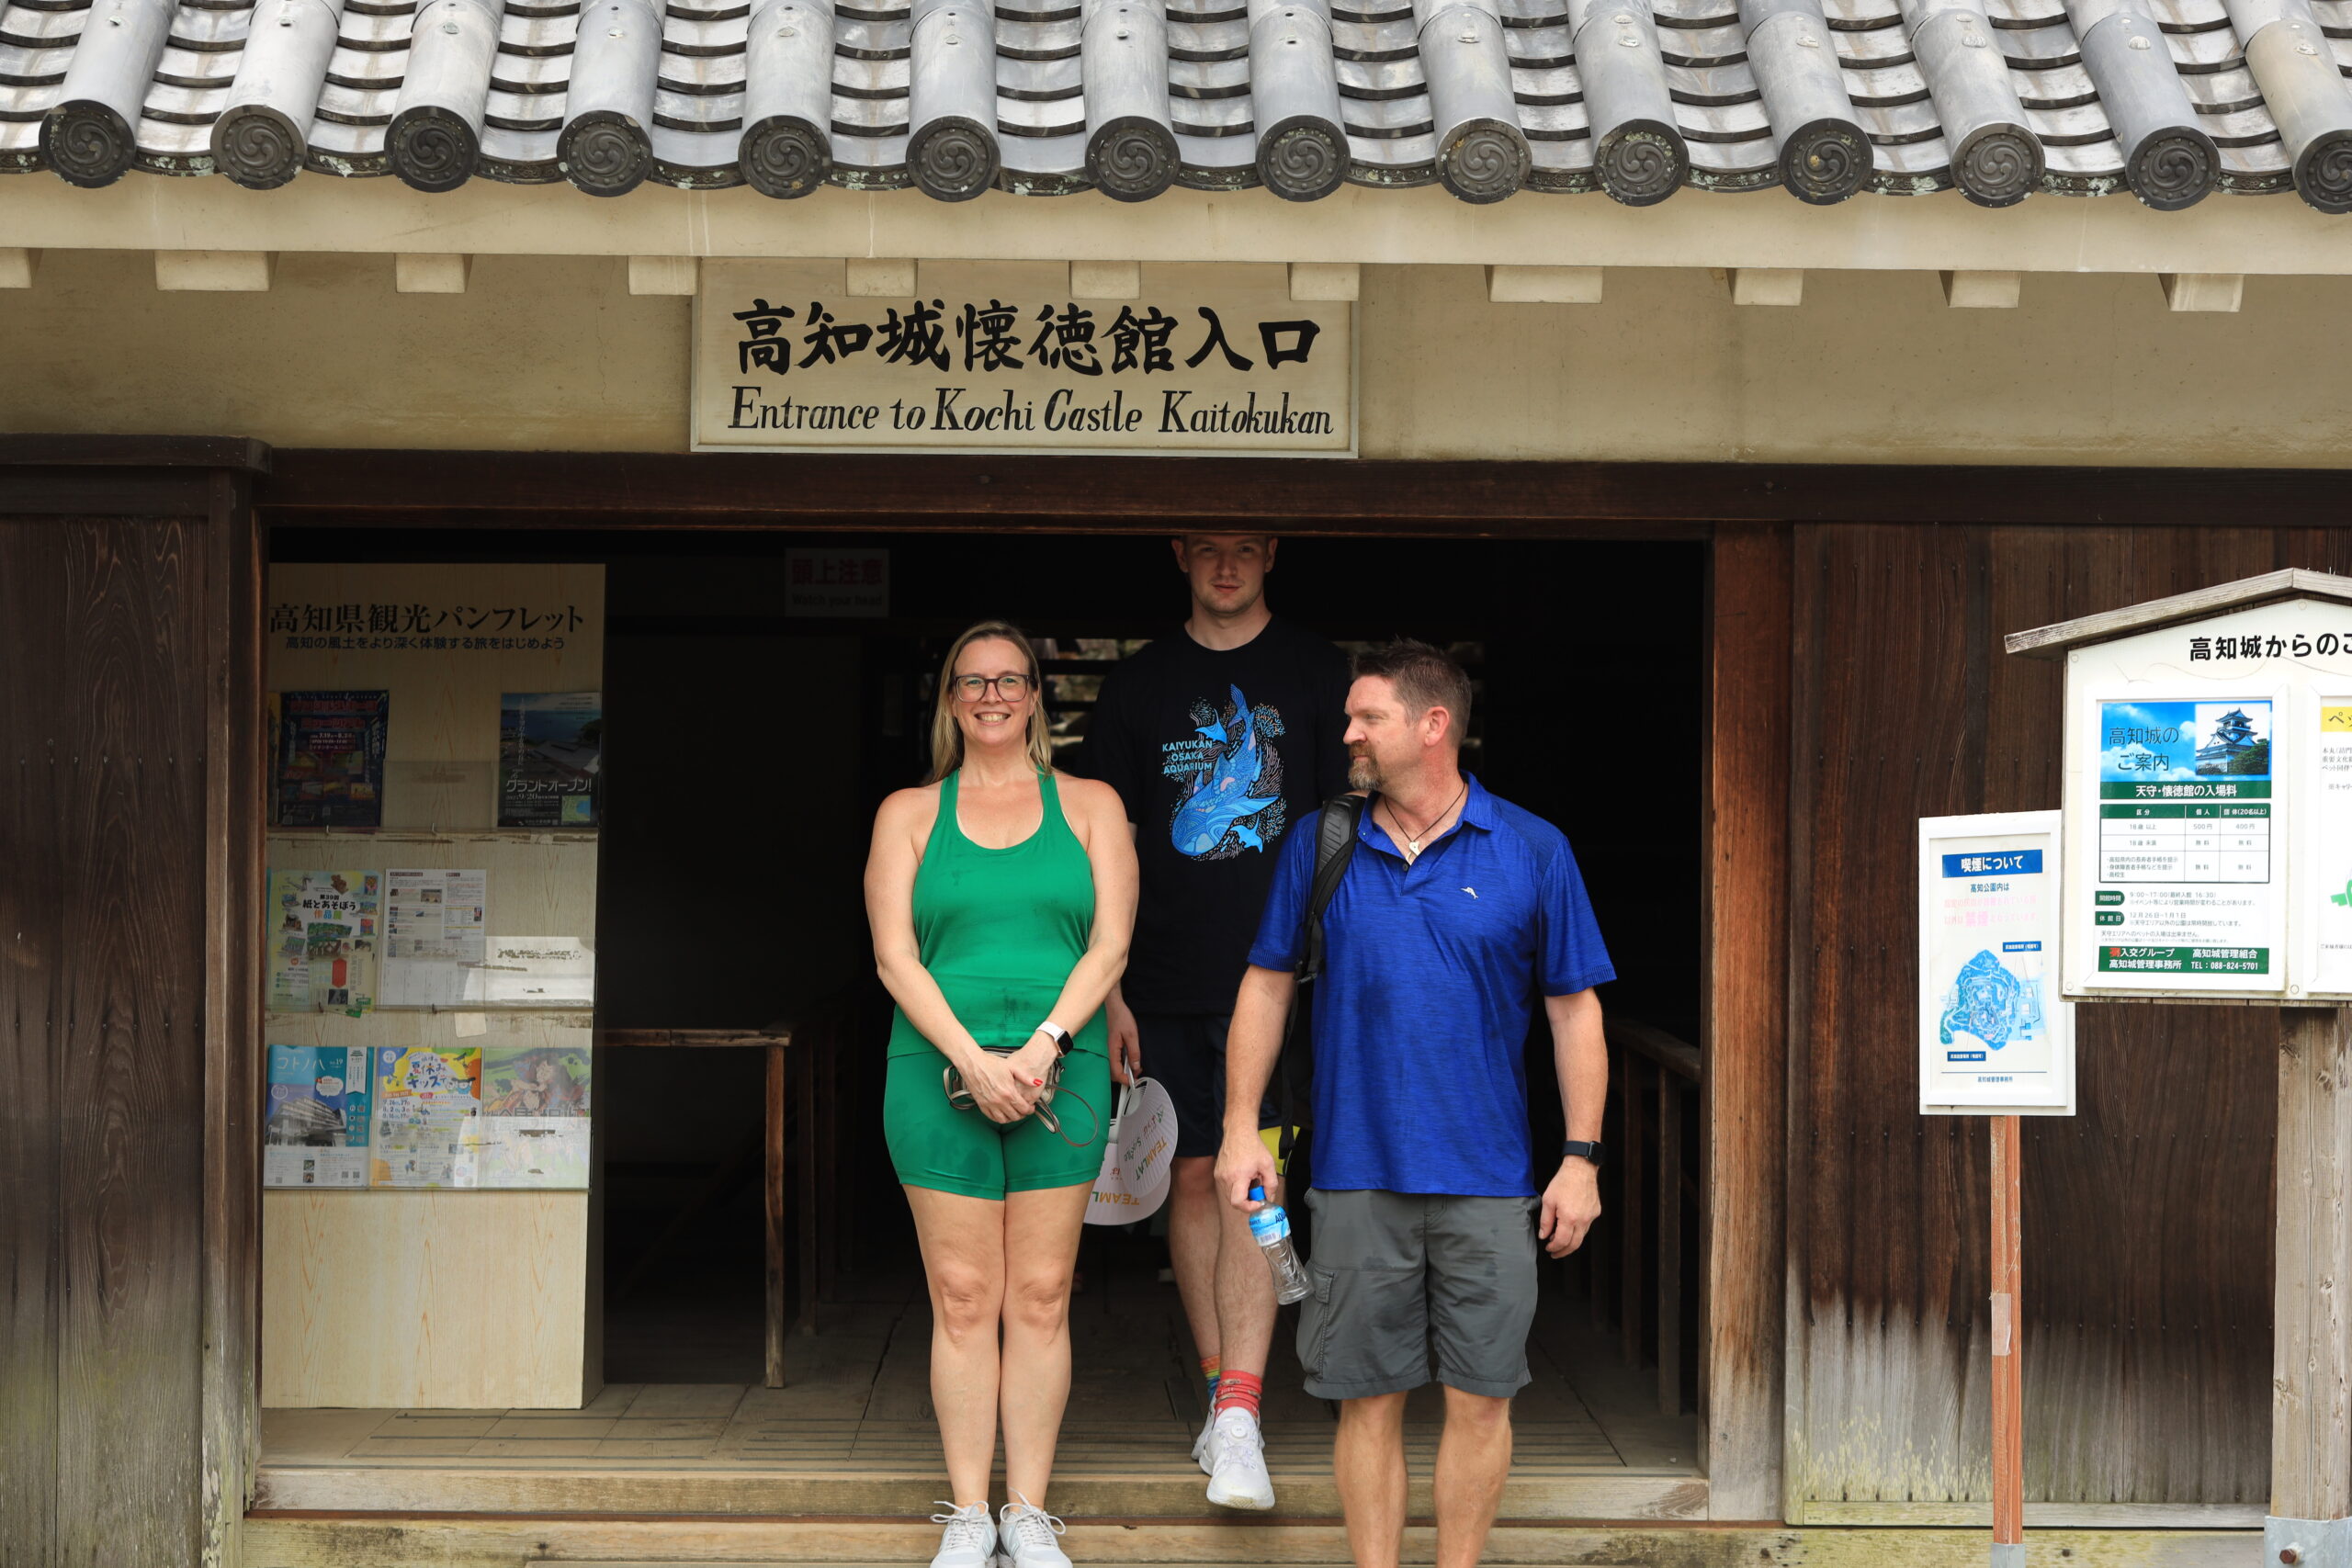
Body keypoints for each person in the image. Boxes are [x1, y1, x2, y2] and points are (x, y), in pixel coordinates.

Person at [1215, 639, 1612, 1568]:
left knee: (1481, 1398)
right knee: (1367, 1397)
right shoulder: (1323, 844)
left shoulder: (1532, 850)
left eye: (1366, 719)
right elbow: (1265, 988)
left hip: (1488, 1179)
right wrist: (1240, 1128)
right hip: (1355, 1174)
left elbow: (1574, 1011)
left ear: (1433, 727)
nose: (1347, 733)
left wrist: (1581, 1159)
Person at [1077, 533, 1351, 1510]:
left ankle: (1241, 1412)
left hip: (1280, 975)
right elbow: (1104, 841)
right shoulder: (1139, 687)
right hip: (1160, 972)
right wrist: (1107, 988)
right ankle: (1220, 1399)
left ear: (1270, 554)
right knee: (1190, 1174)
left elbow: (1341, 825)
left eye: (1244, 548)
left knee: (1253, 1172)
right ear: (1179, 557)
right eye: (1208, 550)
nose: (1225, 566)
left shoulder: (1317, 671)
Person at [867, 620, 1138, 1568]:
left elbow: (1110, 945)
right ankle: (970, 1514)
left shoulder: (1095, 804)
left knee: (1040, 1292)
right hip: (934, 1069)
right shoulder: (906, 811)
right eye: (971, 681)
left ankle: (1027, 1513)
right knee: (962, 1292)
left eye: (1010, 680)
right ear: (949, 699)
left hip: (1061, 1070)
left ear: (1036, 696)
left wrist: (1045, 1045)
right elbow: (893, 955)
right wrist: (976, 1062)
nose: (991, 695)